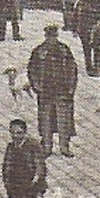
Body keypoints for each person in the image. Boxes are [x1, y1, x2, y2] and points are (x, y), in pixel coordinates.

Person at [27, 24, 79, 157]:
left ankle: (64, 146)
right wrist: (36, 86)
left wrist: (71, 86)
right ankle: (46, 146)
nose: (52, 39)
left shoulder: (64, 50)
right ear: (46, 37)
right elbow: (32, 70)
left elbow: (72, 68)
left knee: (64, 120)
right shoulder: (39, 51)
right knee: (45, 120)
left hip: (63, 91)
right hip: (46, 92)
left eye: (54, 36)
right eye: (50, 37)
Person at [1, 118, 47, 198]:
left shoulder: (33, 145)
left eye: (19, 133)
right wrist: (7, 183)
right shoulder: (10, 147)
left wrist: (36, 180)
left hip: (29, 184)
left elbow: (40, 165)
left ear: (25, 132)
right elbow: (6, 166)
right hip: (15, 185)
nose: (15, 136)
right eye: (13, 133)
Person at [74, 0, 100, 75]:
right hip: (83, 29)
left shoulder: (97, 1)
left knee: (96, 48)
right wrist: (74, 29)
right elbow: (75, 16)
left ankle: (96, 67)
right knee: (87, 49)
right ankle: (89, 68)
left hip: (94, 29)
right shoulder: (79, 1)